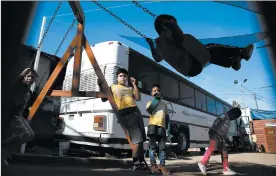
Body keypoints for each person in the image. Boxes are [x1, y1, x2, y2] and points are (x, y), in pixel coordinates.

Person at [147, 14, 254, 77]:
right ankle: (241, 52)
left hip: (190, 70)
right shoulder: (168, 33)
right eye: (174, 22)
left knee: (210, 55)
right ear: (166, 25)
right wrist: (172, 25)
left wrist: (151, 45)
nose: (176, 24)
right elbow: (180, 38)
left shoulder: (159, 45)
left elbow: (157, 58)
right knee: (211, 47)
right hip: (191, 62)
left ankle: (233, 62)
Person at [97, 68, 149, 172]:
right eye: (121, 76)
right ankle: (135, 163)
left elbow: (138, 98)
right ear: (117, 77)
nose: (123, 78)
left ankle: (141, 161)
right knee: (137, 140)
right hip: (126, 113)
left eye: (125, 76)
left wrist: (134, 84)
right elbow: (103, 98)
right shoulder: (113, 87)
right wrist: (100, 86)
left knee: (141, 139)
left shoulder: (129, 88)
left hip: (136, 112)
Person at [2, 68, 38, 166]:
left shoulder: (29, 91)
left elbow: (27, 105)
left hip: (19, 116)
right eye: (28, 76)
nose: (30, 78)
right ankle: (3, 153)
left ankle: (4, 149)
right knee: (27, 134)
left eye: (33, 77)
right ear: (24, 76)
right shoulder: (17, 85)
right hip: (11, 114)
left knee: (30, 135)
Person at [197, 107, 242, 175]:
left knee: (224, 152)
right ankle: (202, 163)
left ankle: (226, 169)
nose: (234, 119)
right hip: (215, 135)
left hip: (220, 138)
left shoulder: (228, 120)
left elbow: (223, 132)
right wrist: (213, 131)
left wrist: (227, 140)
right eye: (235, 117)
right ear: (232, 113)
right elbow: (216, 122)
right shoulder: (224, 116)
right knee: (211, 149)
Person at [146, 84, 171, 175]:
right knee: (152, 148)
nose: (156, 92)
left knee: (162, 148)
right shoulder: (149, 103)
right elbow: (150, 110)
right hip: (152, 127)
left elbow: (167, 117)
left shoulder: (164, 104)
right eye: (154, 91)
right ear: (151, 93)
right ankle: (153, 166)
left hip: (162, 127)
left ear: (161, 92)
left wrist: (168, 129)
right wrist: (156, 99)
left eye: (158, 90)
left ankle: (162, 165)